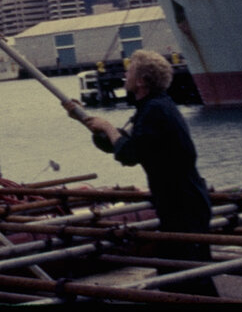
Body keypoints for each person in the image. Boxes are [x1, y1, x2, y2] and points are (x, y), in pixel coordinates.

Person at [67, 49, 217, 296]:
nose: (124, 74)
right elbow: (117, 143)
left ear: (141, 81)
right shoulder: (151, 108)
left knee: (189, 274)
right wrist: (85, 121)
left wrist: (106, 126)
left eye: (129, 70)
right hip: (177, 201)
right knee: (180, 274)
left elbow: (128, 154)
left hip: (184, 203)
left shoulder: (156, 110)